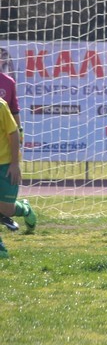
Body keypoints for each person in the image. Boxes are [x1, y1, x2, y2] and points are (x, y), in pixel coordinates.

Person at [0, 97, 35, 258]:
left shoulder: (1, 105)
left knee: (6, 209)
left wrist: (14, 164)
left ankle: (24, 208)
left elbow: (13, 134)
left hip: (5, 164)